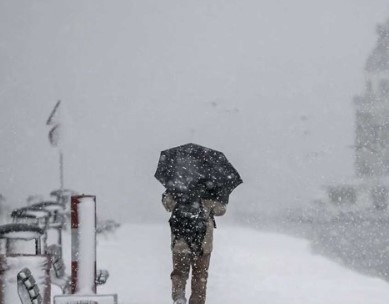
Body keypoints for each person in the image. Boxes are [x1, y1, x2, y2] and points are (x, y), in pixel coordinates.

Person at [162, 181, 227, 304]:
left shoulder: (178, 183)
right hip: (203, 243)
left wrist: (168, 194)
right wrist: (218, 196)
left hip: (180, 241)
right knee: (200, 276)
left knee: (179, 273)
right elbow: (221, 210)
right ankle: (197, 302)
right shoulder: (210, 184)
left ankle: (179, 297)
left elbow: (168, 205)